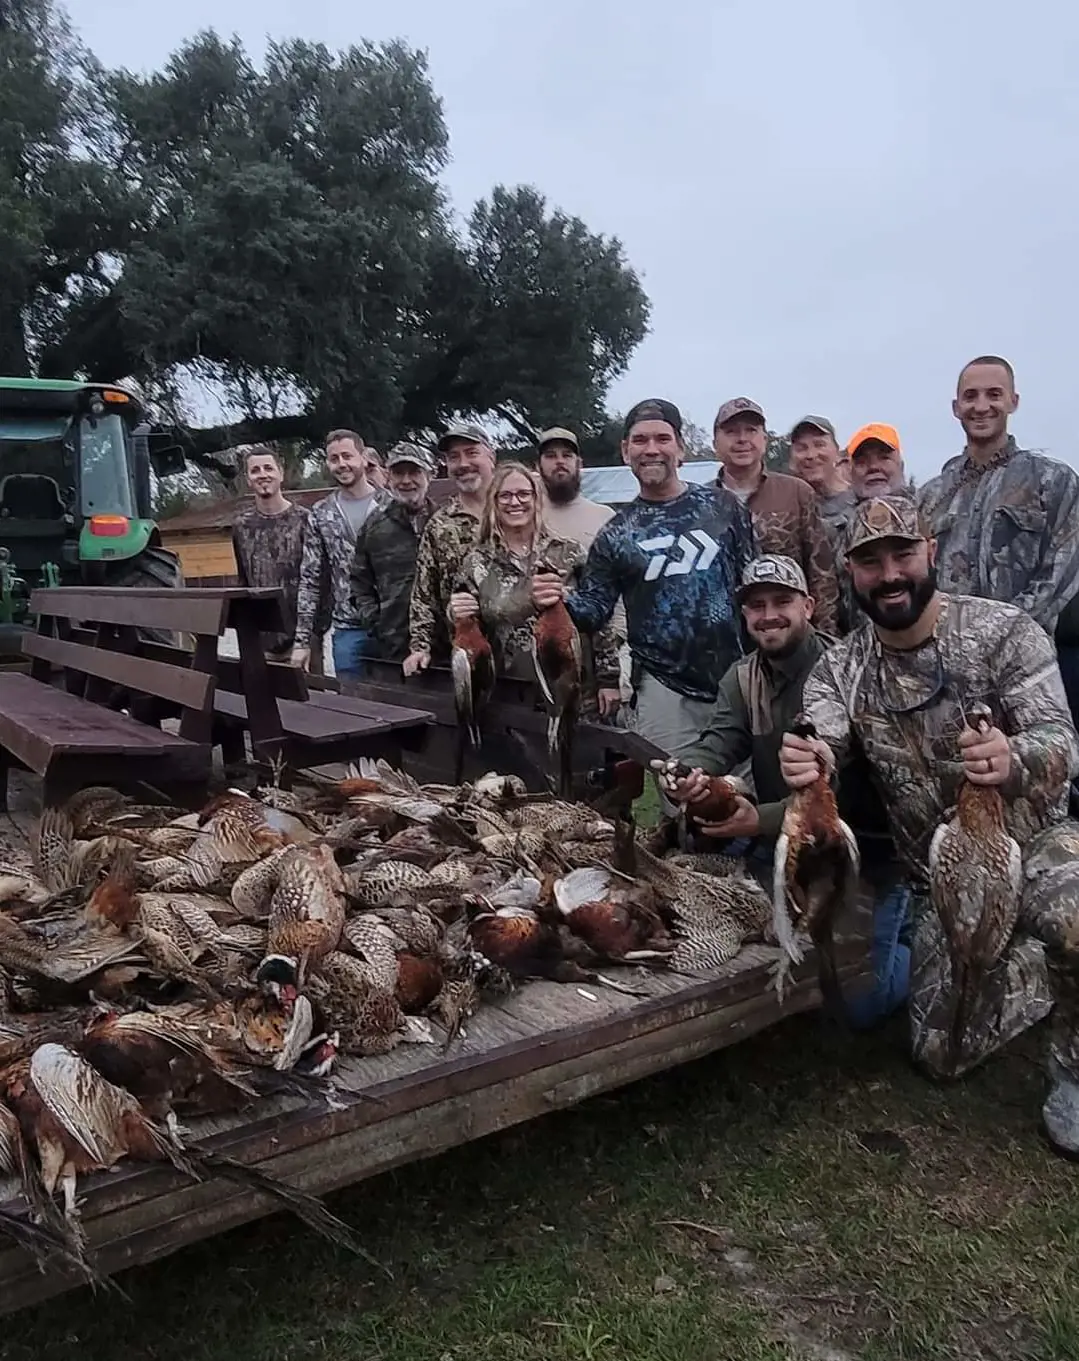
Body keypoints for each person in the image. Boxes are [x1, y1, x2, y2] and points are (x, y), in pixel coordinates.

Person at [781, 492, 1079, 1155]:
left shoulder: (1005, 631)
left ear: (930, 553)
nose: (888, 574)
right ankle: (1033, 967)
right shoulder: (841, 666)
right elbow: (822, 730)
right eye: (869, 561)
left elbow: (1061, 738)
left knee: (1074, 915)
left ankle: (1073, 1069)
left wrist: (1012, 757)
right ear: (850, 574)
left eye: (902, 554)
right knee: (940, 1057)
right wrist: (810, 753)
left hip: (1031, 844)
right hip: (940, 879)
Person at [669, 553, 908, 1027]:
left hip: (858, 853)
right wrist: (689, 773)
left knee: (861, 1004)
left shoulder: (846, 673)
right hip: (783, 849)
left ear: (810, 606)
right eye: (756, 605)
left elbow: (837, 781)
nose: (768, 614)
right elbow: (720, 740)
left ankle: (912, 935)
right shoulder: (743, 678)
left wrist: (762, 818)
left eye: (782, 601)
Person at [531, 398, 756, 763]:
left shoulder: (724, 508)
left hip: (737, 679)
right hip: (663, 687)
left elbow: (752, 587)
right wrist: (556, 597)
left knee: (740, 798)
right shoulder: (616, 534)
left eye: (662, 439)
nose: (651, 449)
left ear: (680, 448)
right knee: (678, 799)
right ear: (625, 451)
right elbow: (593, 611)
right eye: (640, 440)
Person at [917, 355, 1079, 723]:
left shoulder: (1053, 481)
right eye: (970, 396)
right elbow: (918, 579)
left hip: (1029, 667)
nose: (981, 406)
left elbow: (1062, 574)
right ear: (956, 407)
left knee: (1038, 771)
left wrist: (997, 636)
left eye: (994, 394)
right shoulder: (931, 496)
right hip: (946, 675)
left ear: (1013, 401)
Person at [451, 462, 621, 712]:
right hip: (512, 697)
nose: (515, 502)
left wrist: (609, 679)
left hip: (573, 693)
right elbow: (464, 632)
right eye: (505, 495)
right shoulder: (476, 563)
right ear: (494, 503)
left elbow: (599, 617)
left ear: (536, 499)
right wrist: (455, 613)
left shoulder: (569, 553)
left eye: (523, 494)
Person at [713, 397, 839, 635]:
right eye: (731, 431)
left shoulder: (797, 492)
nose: (742, 439)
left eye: (751, 430)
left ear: (764, 439)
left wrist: (826, 641)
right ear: (715, 443)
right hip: (722, 640)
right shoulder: (701, 502)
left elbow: (822, 576)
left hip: (787, 634)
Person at [536, 426, 630, 701]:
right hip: (539, 654)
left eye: (567, 455)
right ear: (538, 465)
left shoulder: (604, 517)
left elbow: (619, 593)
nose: (559, 462)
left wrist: (612, 663)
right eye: (551, 456)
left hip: (593, 653)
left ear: (580, 464)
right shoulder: (524, 516)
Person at [293, 429, 389, 680]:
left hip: (392, 628)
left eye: (347, 456)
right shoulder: (321, 514)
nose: (342, 464)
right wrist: (302, 642)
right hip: (348, 629)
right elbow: (311, 579)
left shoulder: (390, 506)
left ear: (363, 458)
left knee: (401, 706)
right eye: (334, 459)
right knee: (353, 709)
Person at [404, 424, 496, 676]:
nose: (463, 463)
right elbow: (423, 595)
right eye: (454, 457)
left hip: (521, 656)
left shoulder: (517, 511)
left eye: (471, 452)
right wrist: (420, 647)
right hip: (464, 658)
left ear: (491, 456)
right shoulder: (439, 525)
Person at [351, 442, 437, 663]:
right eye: (399, 473)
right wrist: (377, 622)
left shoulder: (445, 522)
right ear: (388, 478)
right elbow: (359, 584)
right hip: (393, 647)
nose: (406, 481)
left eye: (414, 472)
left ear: (430, 474)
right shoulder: (374, 527)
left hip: (444, 646)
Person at [230, 446, 315, 666]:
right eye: (255, 470)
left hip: (303, 642)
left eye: (268, 468)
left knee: (311, 700)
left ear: (281, 473)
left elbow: (317, 583)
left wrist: (309, 638)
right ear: (248, 479)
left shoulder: (305, 520)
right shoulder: (241, 526)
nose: (263, 474)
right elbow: (244, 581)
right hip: (262, 641)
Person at [786, 415, 854, 546]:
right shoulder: (784, 508)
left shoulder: (861, 500)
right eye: (801, 448)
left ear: (837, 452)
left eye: (819, 445)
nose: (811, 455)